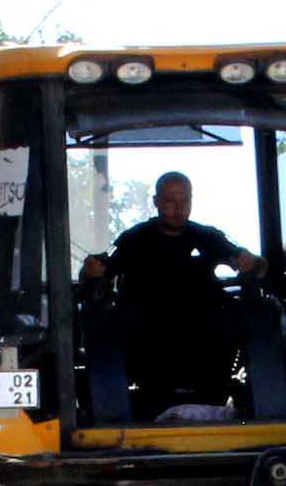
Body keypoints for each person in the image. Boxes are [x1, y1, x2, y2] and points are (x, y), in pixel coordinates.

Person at [79, 170, 260, 418]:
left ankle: (218, 402)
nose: (179, 208)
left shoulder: (207, 236)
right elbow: (99, 269)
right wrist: (92, 271)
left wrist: (253, 263)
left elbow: (254, 263)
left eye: (186, 200)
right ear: (156, 202)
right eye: (170, 201)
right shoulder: (134, 239)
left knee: (245, 318)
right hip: (148, 332)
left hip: (203, 329)